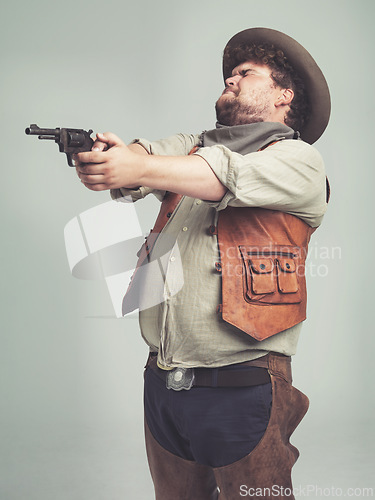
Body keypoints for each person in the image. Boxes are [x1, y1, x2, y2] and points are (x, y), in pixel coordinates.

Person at [74, 27, 330, 500]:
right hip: (163, 383)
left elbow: (221, 175)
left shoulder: (299, 160)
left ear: (283, 94)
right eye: (228, 74)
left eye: (245, 73)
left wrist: (140, 167)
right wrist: (113, 157)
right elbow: (146, 158)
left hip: (244, 382)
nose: (230, 79)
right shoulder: (194, 147)